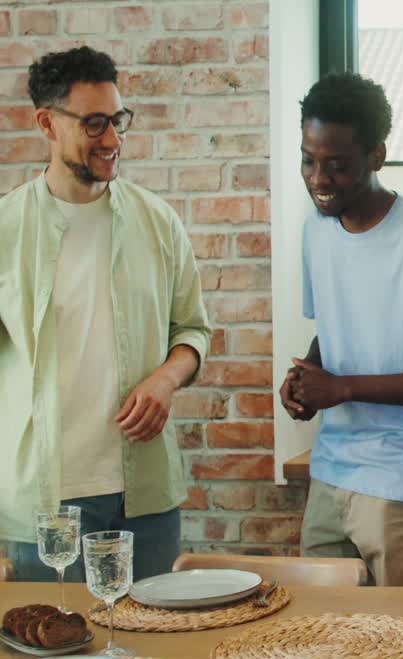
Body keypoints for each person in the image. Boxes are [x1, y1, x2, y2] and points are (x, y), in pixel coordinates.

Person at [0, 47, 211, 581]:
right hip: (44, 502)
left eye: (117, 120)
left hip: (146, 497)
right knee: (52, 655)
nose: (113, 140)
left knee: (161, 650)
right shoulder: (5, 229)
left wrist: (166, 379)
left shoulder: (158, 222)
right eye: (94, 124)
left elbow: (191, 330)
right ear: (47, 123)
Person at [279, 73, 403, 587]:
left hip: (400, 477)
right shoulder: (315, 231)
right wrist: (307, 377)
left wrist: (341, 388)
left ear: (377, 156)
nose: (319, 179)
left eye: (337, 165)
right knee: (321, 639)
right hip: (332, 467)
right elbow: (335, 327)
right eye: (309, 160)